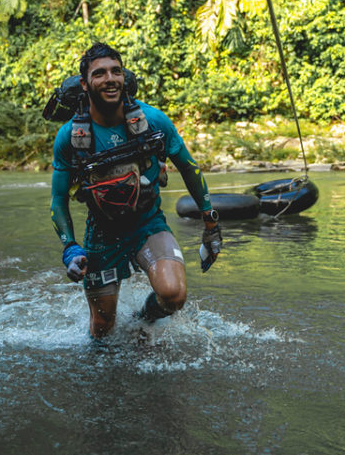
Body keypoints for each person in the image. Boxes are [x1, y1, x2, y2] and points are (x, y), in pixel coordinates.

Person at [50, 42, 222, 338]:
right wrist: (70, 246)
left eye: (116, 71)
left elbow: (189, 168)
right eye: (100, 73)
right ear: (85, 84)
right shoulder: (69, 137)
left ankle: (142, 322)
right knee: (102, 328)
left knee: (173, 295)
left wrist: (211, 223)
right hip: (101, 234)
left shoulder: (152, 120)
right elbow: (58, 198)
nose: (110, 79)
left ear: (124, 76)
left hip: (148, 223)